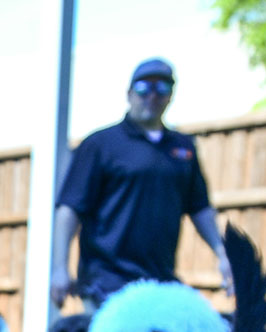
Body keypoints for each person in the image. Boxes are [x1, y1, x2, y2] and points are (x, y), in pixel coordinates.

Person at [49, 58, 236, 312]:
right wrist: (60, 268)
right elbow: (69, 208)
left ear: (171, 96)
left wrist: (222, 253)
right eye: (144, 87)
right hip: (107, 280)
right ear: (129, 93)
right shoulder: (100, 145)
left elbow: (200, 207)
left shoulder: (182, 148)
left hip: (159, 282)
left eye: (162, 88)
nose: (152, 95)